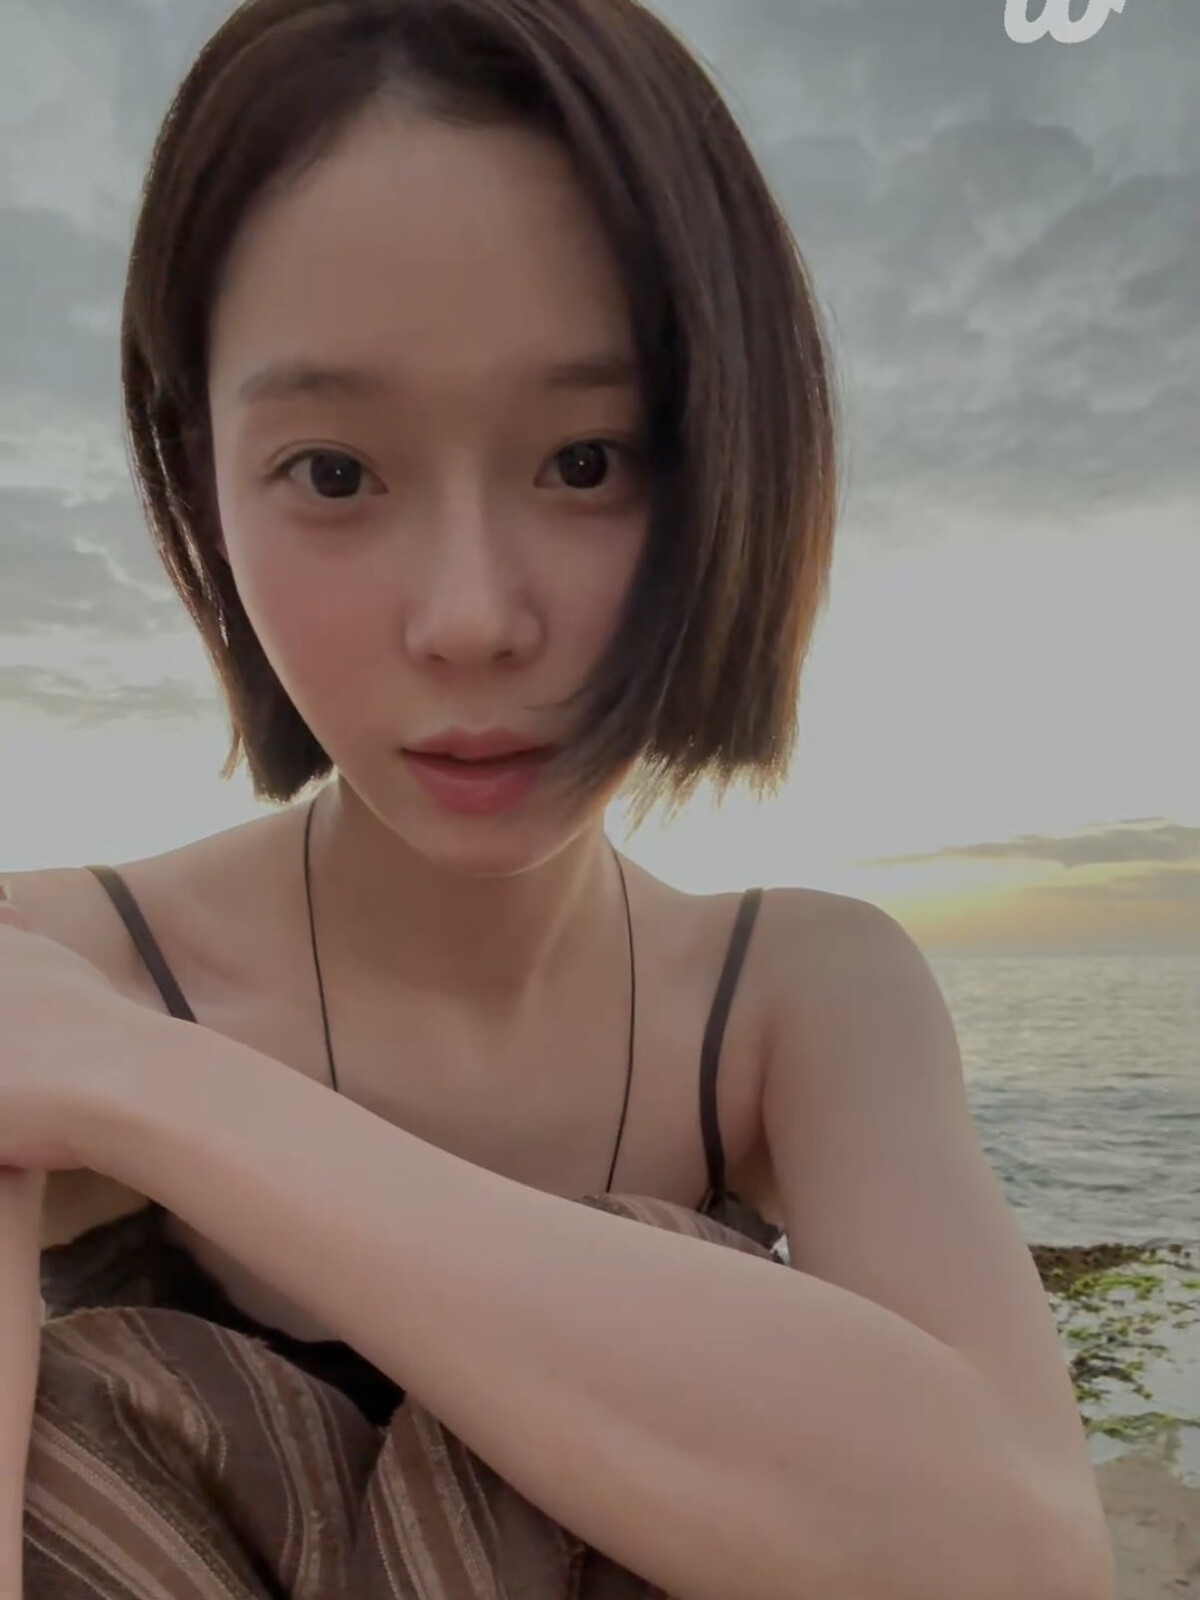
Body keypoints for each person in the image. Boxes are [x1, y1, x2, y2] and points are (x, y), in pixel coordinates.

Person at [0, 2, 1114, 1597]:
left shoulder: (796, 995)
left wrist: (154, 1093)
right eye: (335, 472)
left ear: (730, 461)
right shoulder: (48, 968)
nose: (471, 617)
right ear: (201, 484)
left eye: (587, 461)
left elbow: (1022, 1555)